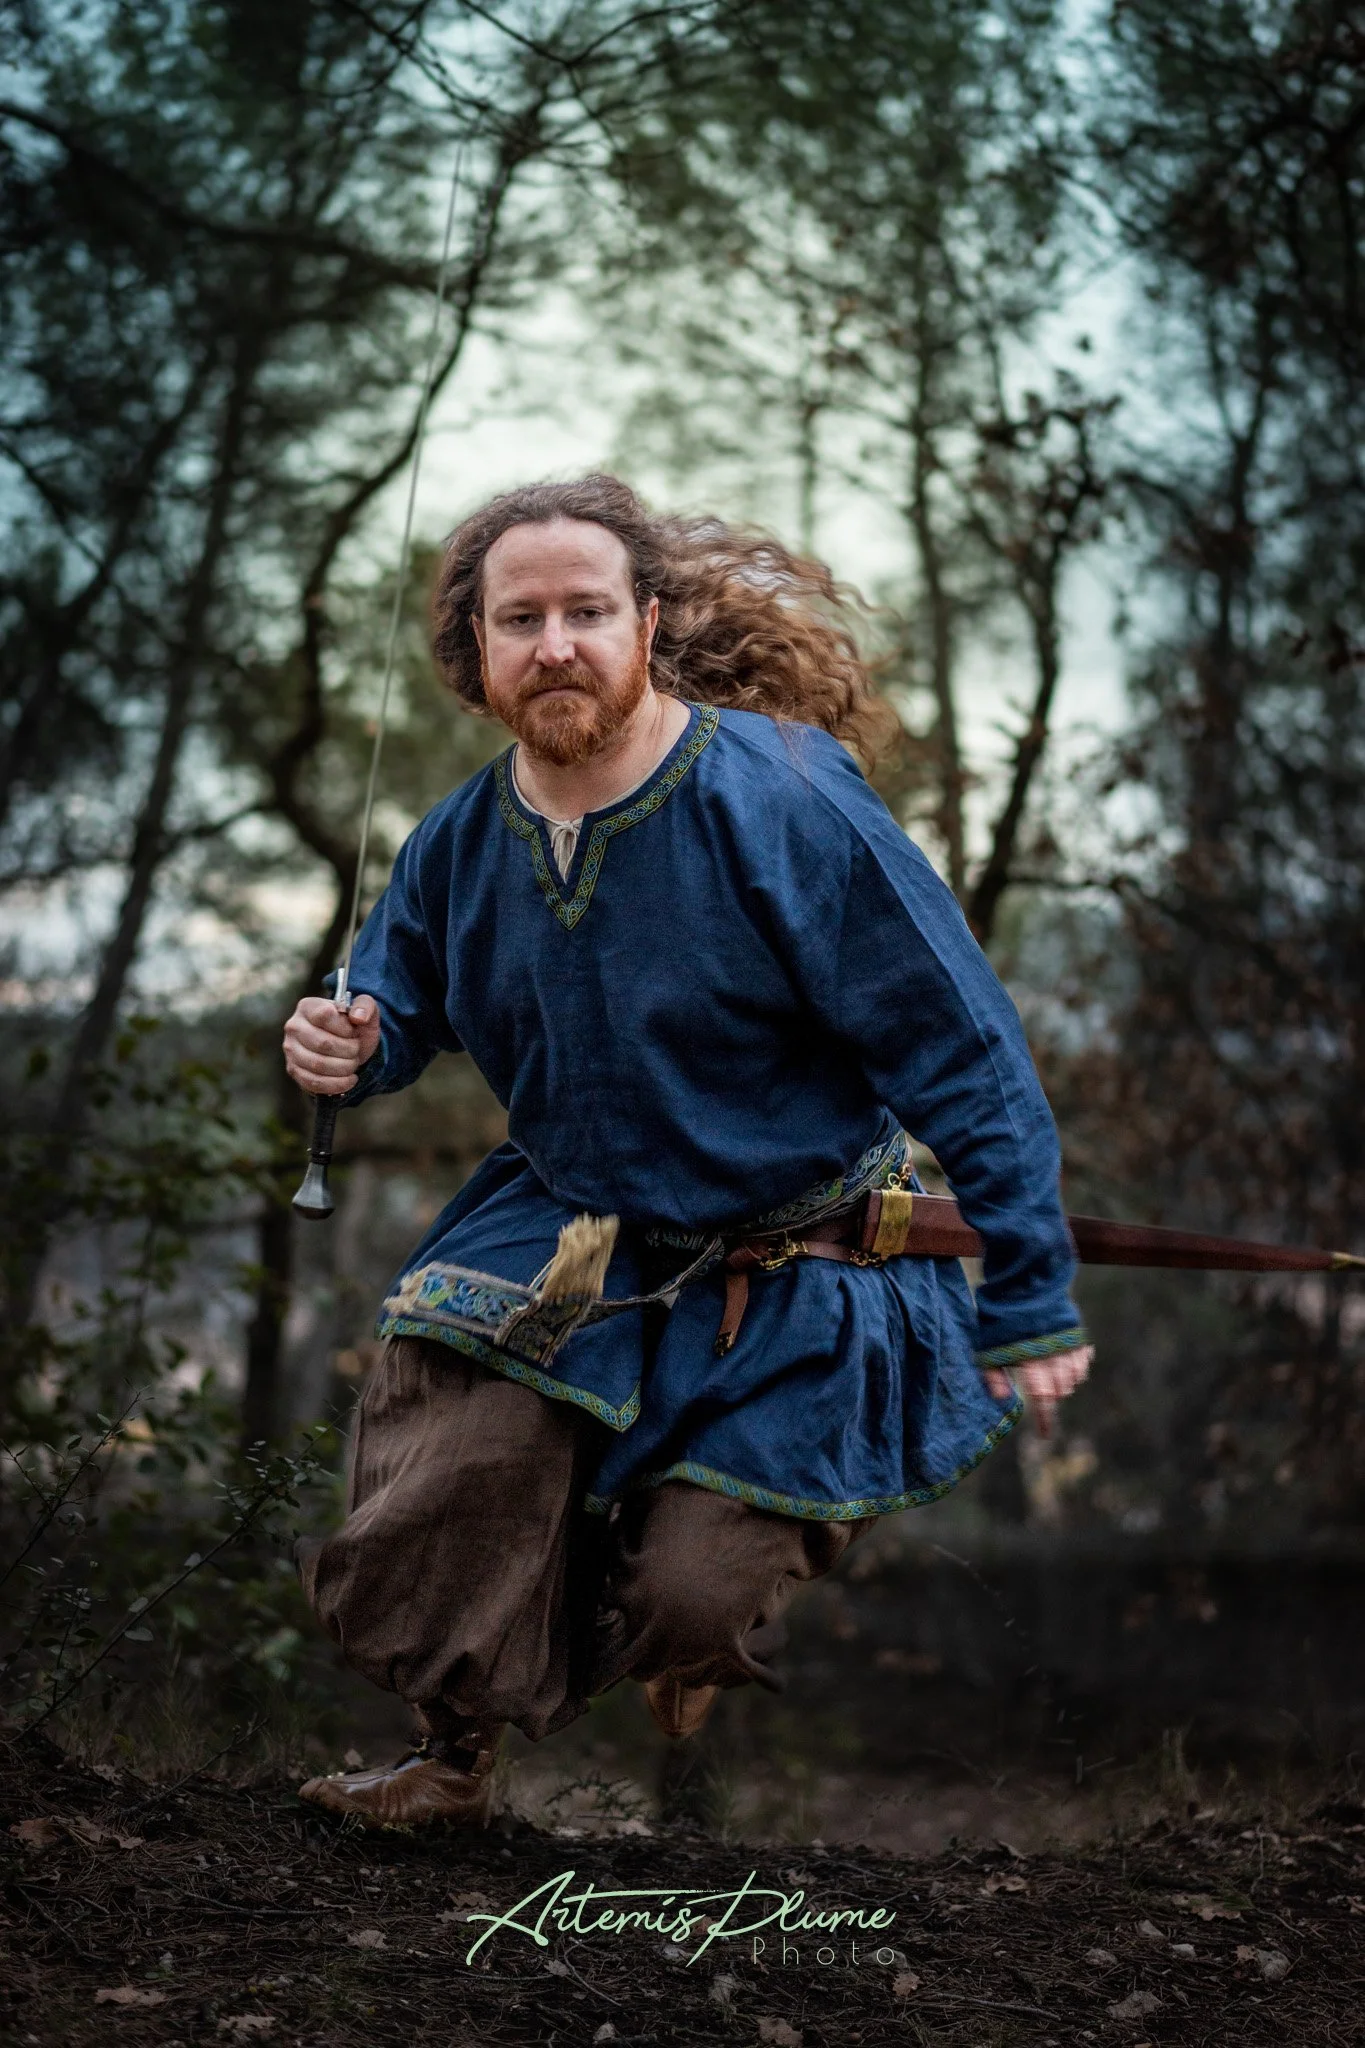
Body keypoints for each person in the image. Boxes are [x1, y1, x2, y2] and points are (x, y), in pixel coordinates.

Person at [282, 473, 1092, 1830]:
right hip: (577, 1233)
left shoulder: (786, 799)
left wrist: (1031, 1284)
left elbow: (964, 1049)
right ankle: (451, 1756)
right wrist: (349, 1049)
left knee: (687, 1598)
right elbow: (396, 1002)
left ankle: (686, 1630)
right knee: (463, 1459)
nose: (555, 644)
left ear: (646, 624)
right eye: (518, 617)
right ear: (473, 655)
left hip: (801, 1256)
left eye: (587, 611)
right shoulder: (458, 840)